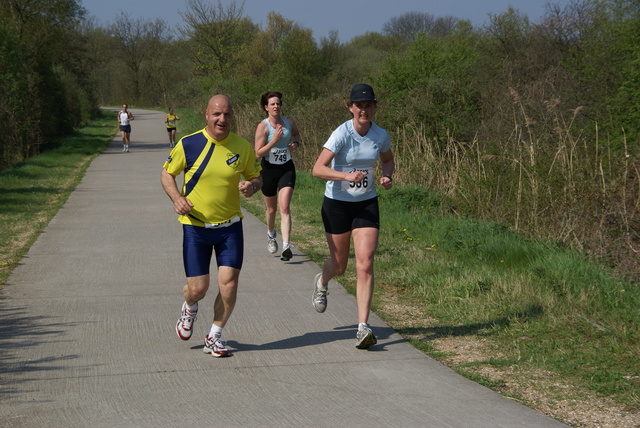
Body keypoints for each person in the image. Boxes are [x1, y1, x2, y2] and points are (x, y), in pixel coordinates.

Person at [161, 94, 262, 358]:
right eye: (217, 114)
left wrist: (252, 186)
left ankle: (214, 336)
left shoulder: (241, 146)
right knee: (199, 288)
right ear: (206, 114)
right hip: (196, 227)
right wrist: (177, 198)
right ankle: (189, 306)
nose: (222, 119)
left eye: (227, 114)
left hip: (230, 228)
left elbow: (255, 177)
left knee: (229, 284)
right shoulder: (189, 144)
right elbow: (167, 174)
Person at [311, 84, 395, 350]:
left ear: (374, 107)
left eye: (369, 104)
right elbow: (317, 169)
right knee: (339, 266)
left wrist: (387, 175)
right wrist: (347, 176)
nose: (364, 109)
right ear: (350, 107)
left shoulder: (379, 134)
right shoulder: (341, 134)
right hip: (336, 204)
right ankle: (322, 281)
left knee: (366, 263)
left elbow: (388, 159)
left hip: (366, 204)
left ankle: (363, 327)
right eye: (359, 105)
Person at [254, 91, 301, 261]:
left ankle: (286, 246)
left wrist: (295, 144)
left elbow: (296, 134)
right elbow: (258, 153)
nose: (276, 106)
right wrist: (274, 141)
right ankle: (271, 234)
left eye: (278, 103)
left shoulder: (289, 122)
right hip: (268, 170)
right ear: (266, 108)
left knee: (284, 206)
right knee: (272, 209)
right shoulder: (263, 127)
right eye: (272, 104)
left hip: (286, 168)